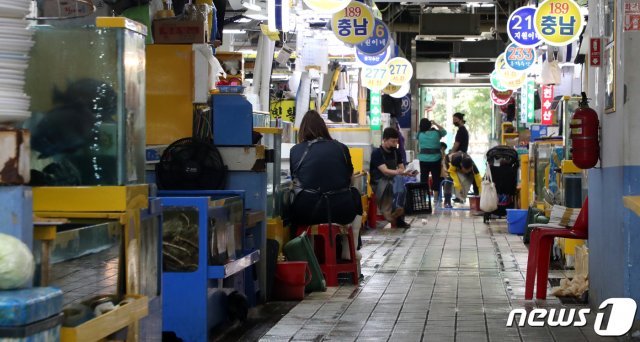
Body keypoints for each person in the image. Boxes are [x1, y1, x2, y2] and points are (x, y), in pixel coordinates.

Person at [289, 110, 361, 227]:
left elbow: (296, 181)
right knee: (355, 194)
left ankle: (301, 242)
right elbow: (351, 180)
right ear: (324, 128)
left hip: (307, 212)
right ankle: (350, 243)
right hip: (342, 211)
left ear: (302, 130)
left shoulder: (295, 150)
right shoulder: (341, 148)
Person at [370, 127, 414, 228]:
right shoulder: (377, 153)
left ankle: (397, 209)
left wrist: (407, 173)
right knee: (399, 181)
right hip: (379, 182)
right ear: (384, 140)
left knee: (402, 184)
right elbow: (385, 171)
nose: (395, 144)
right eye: (393, 141)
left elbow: (402, 168)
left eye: (396, 142)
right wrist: (399, 172)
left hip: (393, 180)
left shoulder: (396, 152)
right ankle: (397, 211)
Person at [417, 118, 447, 203]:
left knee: (424, 178)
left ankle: (423, 197)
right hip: (435, 159)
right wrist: (436, 123)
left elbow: (416, 136)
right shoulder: (436, 133)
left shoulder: (420, 134)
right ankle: (436, 198)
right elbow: (444, 132)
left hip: (423, 159)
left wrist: (421, 127)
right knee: (436, 178)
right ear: (430, 125)